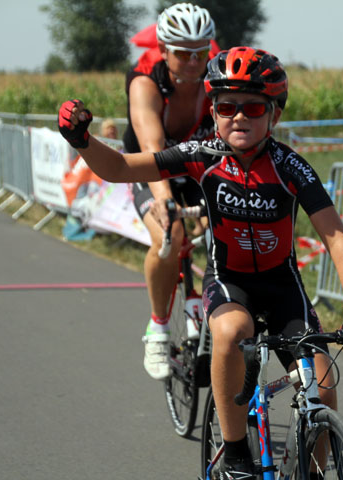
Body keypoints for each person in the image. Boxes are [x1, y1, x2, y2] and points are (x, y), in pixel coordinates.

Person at [57, 46, 343, 479]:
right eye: (226, 107)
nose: (239, 117)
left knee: (322, 386)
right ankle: (236, 453)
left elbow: (335, 236)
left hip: (284, 287)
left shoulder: (291, 167)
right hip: (230, 281)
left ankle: (313, 471)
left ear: (274, 116)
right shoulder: (202, 155)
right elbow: (118, 167)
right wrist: (82, 140)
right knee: (231, 330)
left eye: (252, 108)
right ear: (213, 112)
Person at [123, 3, 216, 380]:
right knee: (170, 233)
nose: (193, 61)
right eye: (182, 53)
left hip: (193, 167)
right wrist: (164, 200)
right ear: (163, 51)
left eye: (200, 52)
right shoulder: (146, 82)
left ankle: (216, 311)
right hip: (149, 166)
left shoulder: (214, 79)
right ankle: (158, 328)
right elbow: (152, 146)